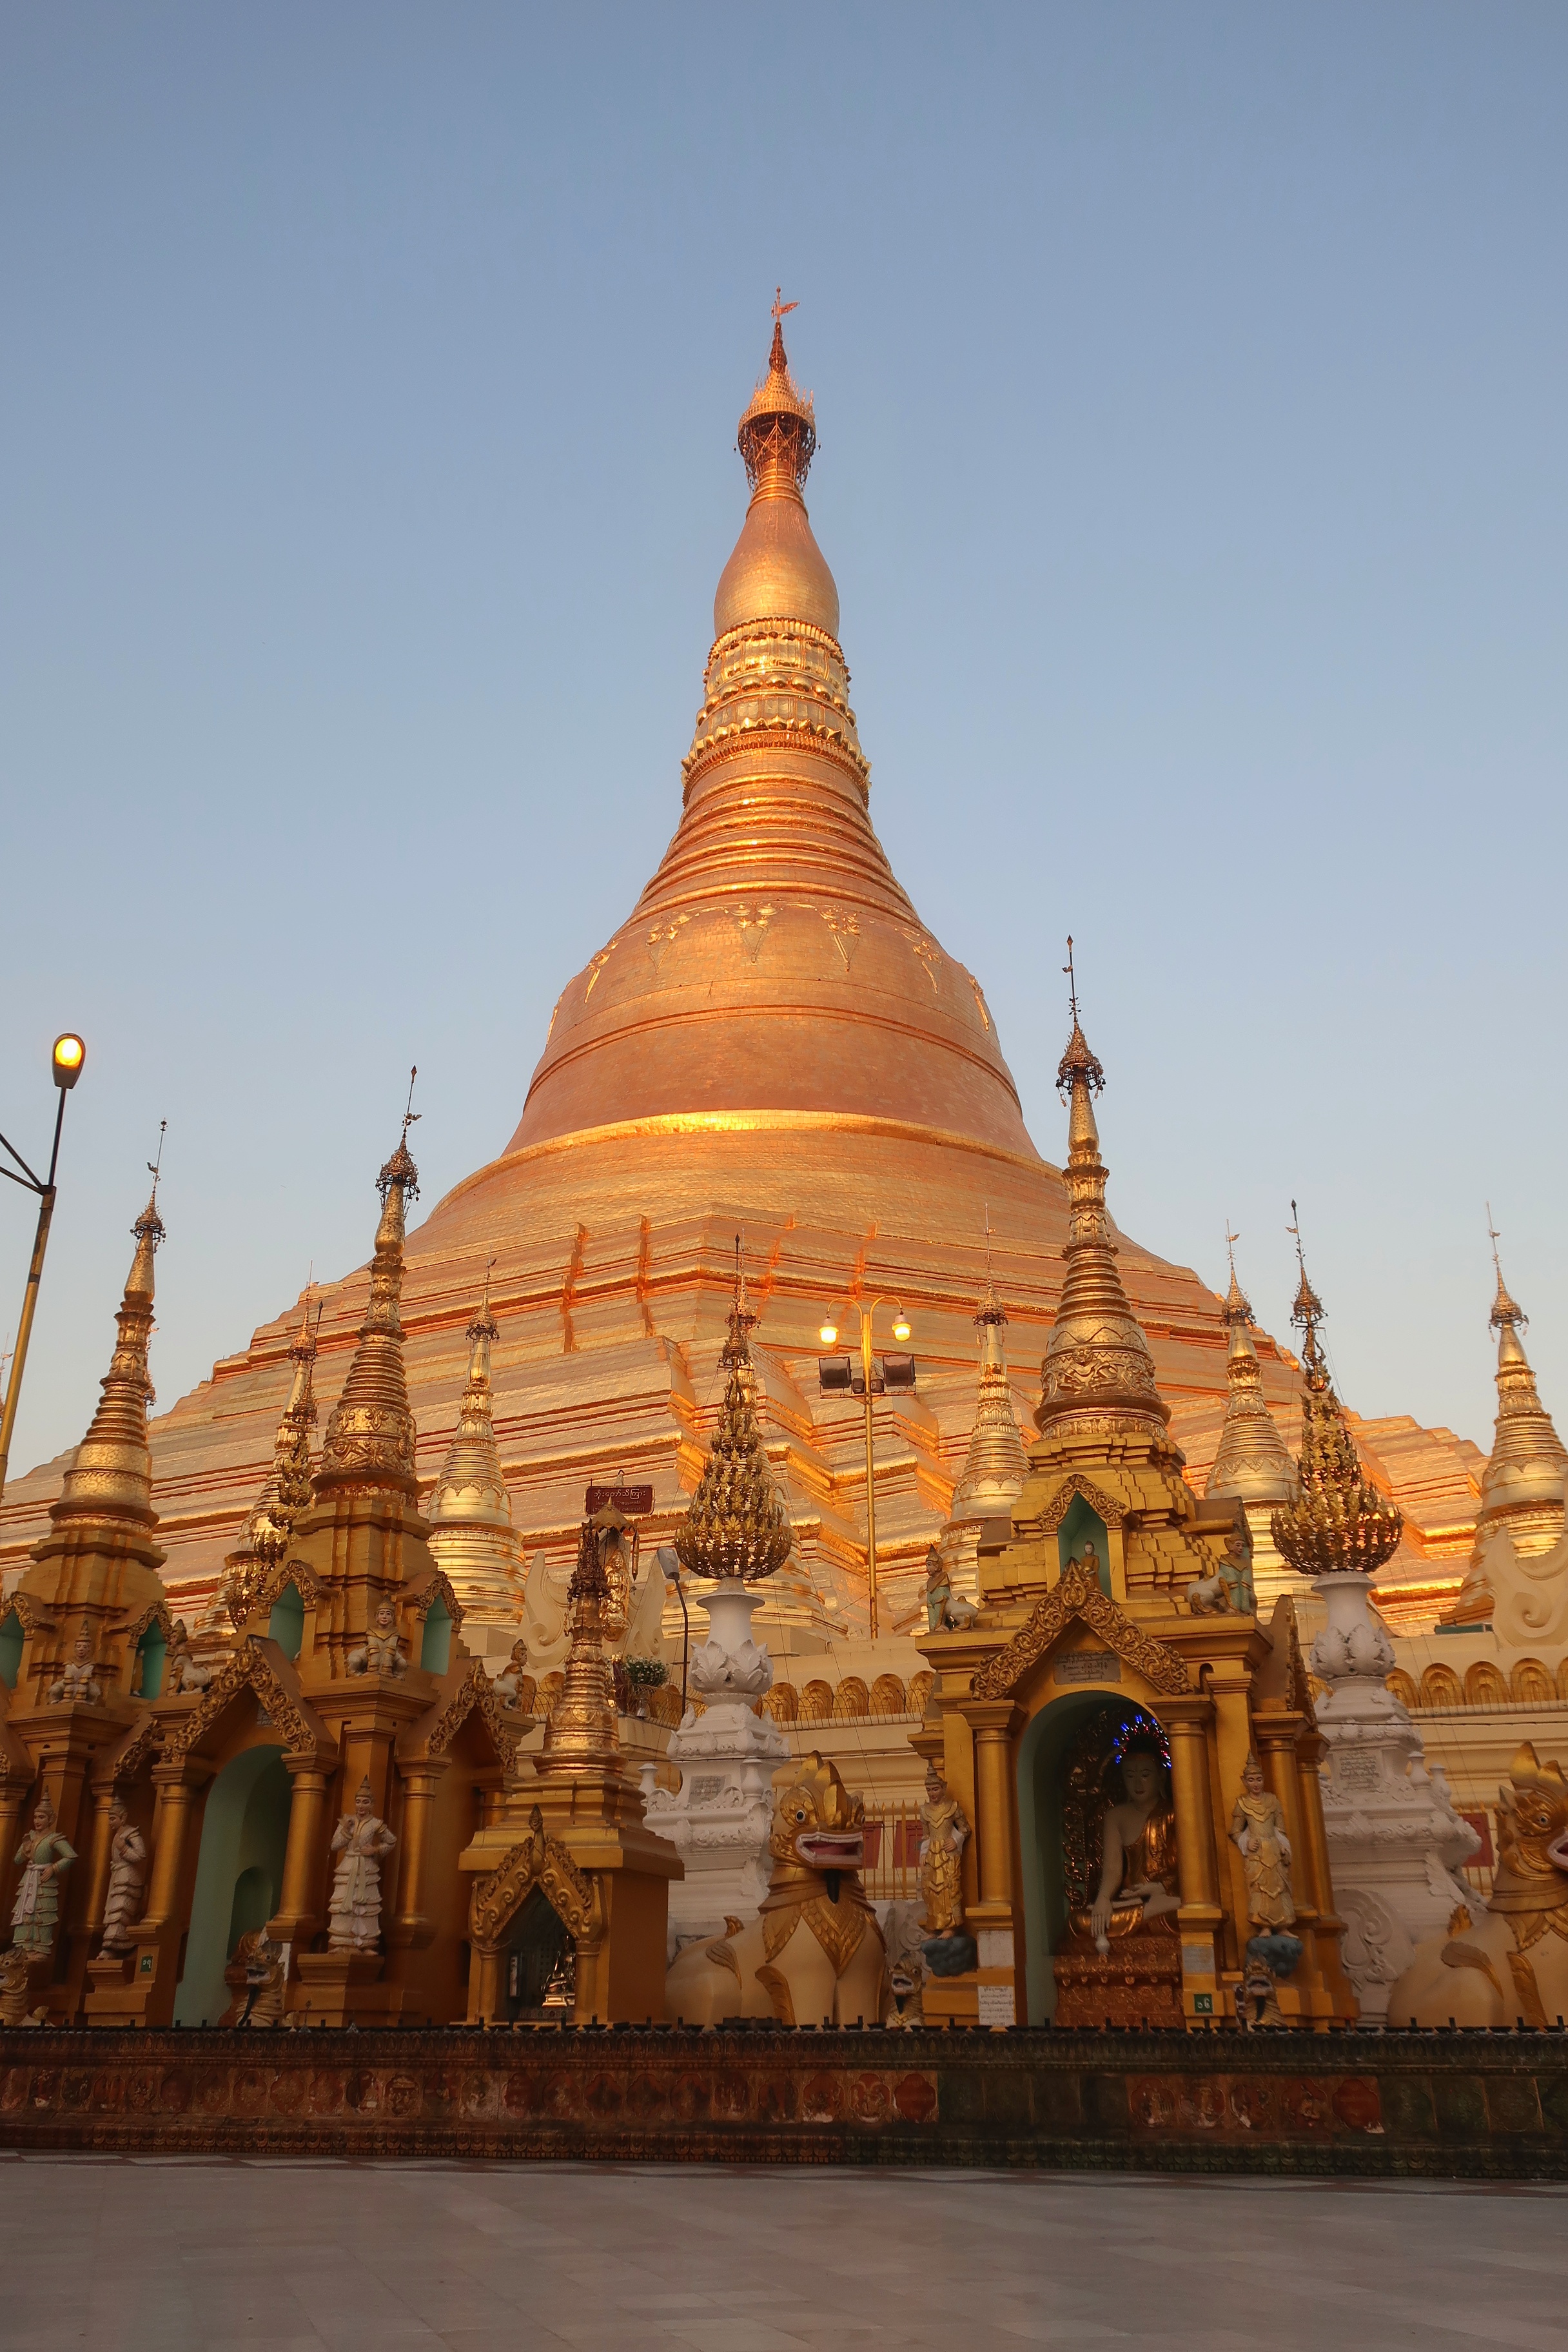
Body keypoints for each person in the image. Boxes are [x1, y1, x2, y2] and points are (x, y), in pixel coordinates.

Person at [1084, 1734, 1181, 1952]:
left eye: (1145, 1775)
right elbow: (1112, 1870)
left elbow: (1190, 1871)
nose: (1138, 1783)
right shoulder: (1116, 1817)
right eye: (1130, 1776)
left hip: (1168, 1898)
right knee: (1080, 1923)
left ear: (1161, 1777)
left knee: (1187, 1910)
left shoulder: (1175, 1814)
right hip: (1133, 1903)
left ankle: (1155, 1908)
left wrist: (1159, 1887)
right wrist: (1103, 1899)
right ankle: (1147, 1912)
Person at [327, 1778, 397, 1951]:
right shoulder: (347, 1821)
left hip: (366, 1868)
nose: (361, 1806)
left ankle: (366, 1944)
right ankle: (342, 1941)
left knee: (365, 1906)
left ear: (372, 1804)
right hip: (349, 1865)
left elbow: (391, 1841)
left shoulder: (376, 1824)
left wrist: (375, 1850)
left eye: (365, 1802)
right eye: (358, 1802)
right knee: (344, 1904)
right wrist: (346, 1831)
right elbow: (335, 1846)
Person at [1230, 1752, 1296, 1928]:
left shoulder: (1273, 1801)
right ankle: (1264, 1926)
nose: (1256, 1784)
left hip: (1274, 1850)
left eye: (1259, 1779)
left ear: (1264, 1779)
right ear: (1244, 1781)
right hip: (1257, 1854)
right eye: (1251, 1780)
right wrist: (1246, 1842)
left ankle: (1283, 1926)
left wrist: (1283, 1846)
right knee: (1259, 1890)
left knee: (1280, 1888)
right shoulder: (1242, 1803)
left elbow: (1280, 1829)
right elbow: (1235, 1831)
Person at [10, 1791, 76, 1960]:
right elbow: (17, 1860)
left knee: (42, 1914)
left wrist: (54, 1868)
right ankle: (23, 1947)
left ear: (50, 1819)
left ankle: (39, 1949)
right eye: (36, 1817)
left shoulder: (54, 1839)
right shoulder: (30, 1837)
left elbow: (70, 1856)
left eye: (42, 1817)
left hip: (44, 1880)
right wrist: (25, 1851)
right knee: (25, 1914)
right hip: (29, 1878)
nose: (37, 1821)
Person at [98, 1797, 148, 1954]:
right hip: (118, 1875)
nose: (110, 1822)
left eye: (113, 1818)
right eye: (109, 1819)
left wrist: (124, 1849)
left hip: (126, 1877)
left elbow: (141, 1855)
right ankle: (110, 1946)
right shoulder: (118, 1835)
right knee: (113, 1911)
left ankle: (116, 1945)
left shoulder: (131, 1834)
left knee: (120, 1912)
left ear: (123, 1817)